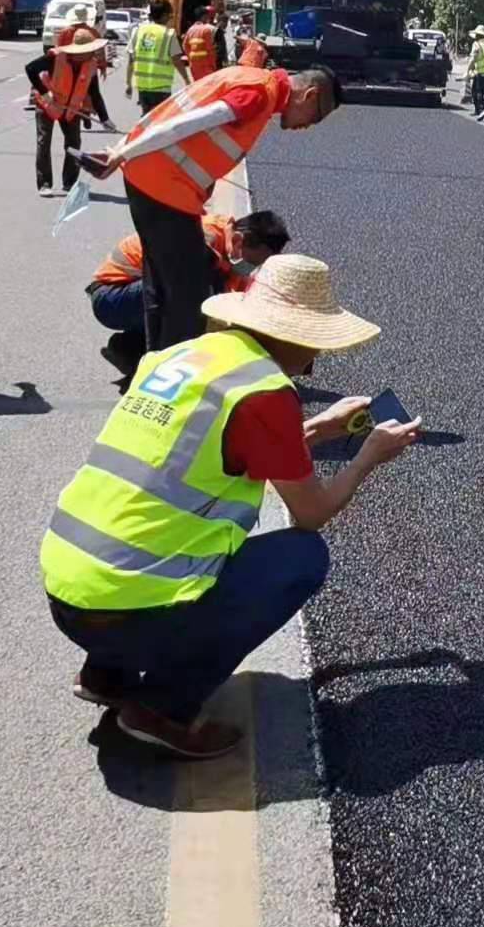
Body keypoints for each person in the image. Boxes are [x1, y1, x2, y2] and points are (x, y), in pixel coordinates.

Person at [40, 253, 421, 760]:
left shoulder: (183, 359)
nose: (315, 360)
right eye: (314, 342)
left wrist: (318, 427)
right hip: (127, 610)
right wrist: (369, 456)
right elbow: (312, 512)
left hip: (72, 596)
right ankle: (162, 709)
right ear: (293, 334)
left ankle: (106, 673)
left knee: (140, 541)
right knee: (302, 558)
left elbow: (206, 456)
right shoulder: (265, 392)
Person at [86, 44, 342, 351]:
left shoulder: (252, 79)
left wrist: (124, 150)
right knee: (191, 299)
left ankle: (150, 363)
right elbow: (186, 121)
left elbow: (173, 111)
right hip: (164, 190)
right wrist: (121, 152)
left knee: (164, 288)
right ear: (310, 95)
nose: (306, 127)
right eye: (314, 118)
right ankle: (173, 380)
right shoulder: (258, 95)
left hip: (152, 183)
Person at [87, 208, 291, 386]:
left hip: (137, 298)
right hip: (110, 299)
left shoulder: (231, 251)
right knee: (198, 296)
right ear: (238, 240)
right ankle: (160, 367)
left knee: (210, 303)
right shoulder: (202, 238)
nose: (250, 268)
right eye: (252, 262)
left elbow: (246, 300)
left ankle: (128, 348)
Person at [26, 24, 107, 194]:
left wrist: (105, 118)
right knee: (44, 142)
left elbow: (95, 93)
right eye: (89, 50)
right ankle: (45, 184)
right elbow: (30, 69)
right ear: (79, 50)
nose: (93, 53)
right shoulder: (56, 59)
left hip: (70, 110)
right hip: (48, 104)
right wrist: (44, 92)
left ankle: (69, 183)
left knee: (74, 143)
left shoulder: (90, 65)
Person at [127, 0, 190, 114]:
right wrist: (186, 80)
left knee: (147, 116)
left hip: (142, 86)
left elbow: (131, 59)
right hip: (161, 87)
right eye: (170, 15)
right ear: (164, 15)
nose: (171, 19)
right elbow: (176, 61)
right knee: (159, 121)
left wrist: (128, 83)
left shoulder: (138, 31)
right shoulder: (169, 34)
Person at [183, 6, 219, 82]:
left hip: (194, 65)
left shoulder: (190, 29)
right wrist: (213, 65)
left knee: (197, 86)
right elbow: (209, 49)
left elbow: (185, 45)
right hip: (205, 65)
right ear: (204, 16)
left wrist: (190, 58)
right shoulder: (206, 30)